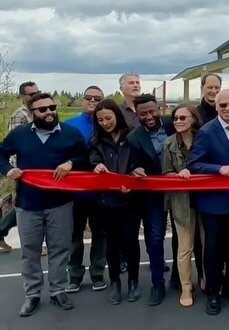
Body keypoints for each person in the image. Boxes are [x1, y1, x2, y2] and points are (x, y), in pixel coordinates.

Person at [0, 92, 89, 317]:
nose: (49, 112)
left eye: (52, 107)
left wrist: (71, 163)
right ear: (32, 114)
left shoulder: (71, 133)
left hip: (61, 203)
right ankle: (32, 295)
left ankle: (58, 290)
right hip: (28, 204)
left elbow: (85, 159)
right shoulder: (19, 135)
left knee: (60, 250)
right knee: (30, 252)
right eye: (43, 109)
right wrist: (7, 169)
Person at [189, 88, 229, 316]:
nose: (227, 109)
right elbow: (194, 164)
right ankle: (213, 292)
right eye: (223, 105)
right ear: (216, 106)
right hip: (213, 203)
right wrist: (219, 169)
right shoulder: (206, 131)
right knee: (213, 249)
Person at [89, 100, 141, 304]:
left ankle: (134, 281)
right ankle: (115, 282)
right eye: (100, 119)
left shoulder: (133, 136)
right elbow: (91, 162)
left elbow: (142, 161)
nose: (105, 123)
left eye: (108, 118)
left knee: (130, 240)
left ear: (117, 116)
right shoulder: (96, 140)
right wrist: (96, 166)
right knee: (112, 243)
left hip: (131, 199)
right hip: (106, 201)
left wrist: (137, 171)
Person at [127, 94, 174, 306]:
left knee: (185, 236)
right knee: (155, 238)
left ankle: (179, 278)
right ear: (136, 115)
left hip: (182, 190)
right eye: (143, 114)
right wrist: (133, 169)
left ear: (158, 109)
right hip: (153, 195)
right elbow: (130, 163)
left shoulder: (173, 123)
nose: (149, 116)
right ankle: (158, 283)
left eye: (152, 111)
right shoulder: (134, 138)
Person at [65, 86, 107, 293]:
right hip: (75, 193)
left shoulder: (107, 124)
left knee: (100, 234)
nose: (92, 101)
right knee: (74, 236)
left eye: (97, 98)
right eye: (88, 97)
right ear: (82, 100)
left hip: (101, 192)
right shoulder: (69, 126)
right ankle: (74, 275)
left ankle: (98, 273)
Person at [163, 104, 202, 307]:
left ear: (193, 119)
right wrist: (177, 175)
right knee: (184, 248)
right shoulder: (168, 144)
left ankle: (205, 279)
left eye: (183, 118)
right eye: (176, 118)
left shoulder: (204, 139)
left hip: (204, 200)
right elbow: (165, 172)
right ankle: (186, 287)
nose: (178, 121)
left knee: (205, 245)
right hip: (181, 202)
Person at [0, 80, 39, 252]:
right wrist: (16, 171)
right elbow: (15, 146)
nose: (35, 95)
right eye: (31, 94)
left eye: (37, 92)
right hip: (23, 171)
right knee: (26, 208)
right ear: (23, 97)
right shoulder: (20, 116)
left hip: (36, 169)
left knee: (28, 207)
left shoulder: (35, 113)